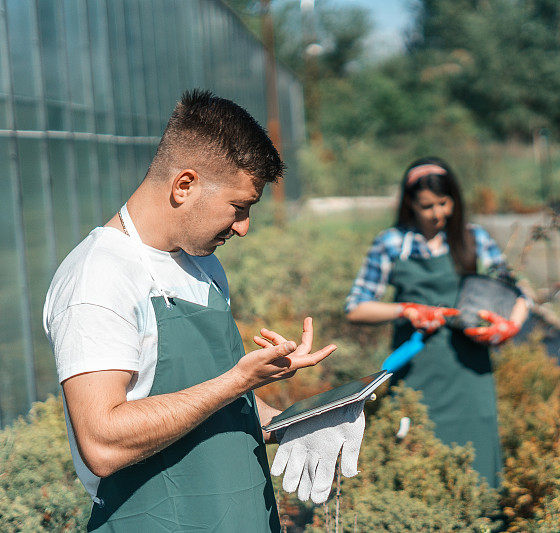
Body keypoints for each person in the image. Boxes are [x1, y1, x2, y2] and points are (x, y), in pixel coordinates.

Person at [43, 90, 363, 532]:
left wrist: (295, 421)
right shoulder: (97, 277)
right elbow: (102, 442)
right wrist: (238, 379)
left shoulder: (201, 265)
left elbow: (215, 403)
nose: (244, 228)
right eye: (239, 207)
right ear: (185, 185)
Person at [345, 157, 530, 488]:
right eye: (426, 206)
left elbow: (518, 293)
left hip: (470, 371)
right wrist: (406, 310)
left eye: (443, 203)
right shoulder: (391, 244)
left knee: (477, 461)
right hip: (418, 370)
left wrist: (509, 327)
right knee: (418, 458)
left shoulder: (473, 239)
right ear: (410, 204)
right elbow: (356, 307)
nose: (437, 213)